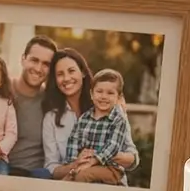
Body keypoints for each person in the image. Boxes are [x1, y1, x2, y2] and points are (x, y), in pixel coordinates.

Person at [41, 49, 139, 183]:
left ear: (82, 72)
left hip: (110, 183)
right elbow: (51, 168)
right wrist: (76, 164)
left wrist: (98, 156)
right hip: (75, 183)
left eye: (71, 71)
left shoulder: (112, 108)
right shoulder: (51, 118)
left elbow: (133, 158)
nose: (66, 78)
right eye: (60, 74)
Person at [55, 68, 136, 184]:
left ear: (118, 98)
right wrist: (74, 162)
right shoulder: (84, 118)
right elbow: (74, 141)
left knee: (82, 177)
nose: (104, 96)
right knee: (66, 180)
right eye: (99, 91)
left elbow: (112, 146)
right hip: (85, 165)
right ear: (92, 94)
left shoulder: (118, 120)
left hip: (110, 168)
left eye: (110, 93)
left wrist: (93, 160)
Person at [4, 35, 57, 179]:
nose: (39, 68)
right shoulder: (1, 89)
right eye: (34, 60)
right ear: (23, 59)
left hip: (34, 178)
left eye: (46, 64)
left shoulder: (52, 101)